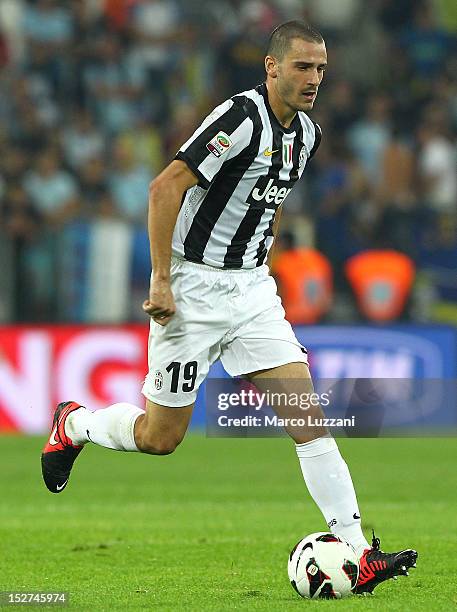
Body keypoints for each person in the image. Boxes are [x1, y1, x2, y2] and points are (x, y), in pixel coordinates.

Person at [41, 20, 417, 594]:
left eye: (320, 68)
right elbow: (165, 187)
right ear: (271, 67)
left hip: (251, 292)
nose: (314, 78)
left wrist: (266, 265)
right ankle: (77, 424)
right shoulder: (239, 119)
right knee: (159, 438)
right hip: (191, 291)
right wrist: (163, 279)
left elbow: (271, 203)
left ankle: (360, 551)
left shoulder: (308, 135)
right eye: (302, 66)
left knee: (309, 422)